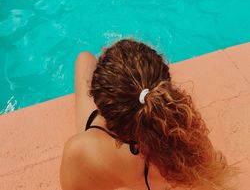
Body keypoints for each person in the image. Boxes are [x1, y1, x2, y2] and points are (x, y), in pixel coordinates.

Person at [60, 39, 234, 190]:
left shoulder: (80, 153)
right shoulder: (186, 137)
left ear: (102, 109)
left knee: (84, 58)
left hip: (102, 156)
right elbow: (217, 169)